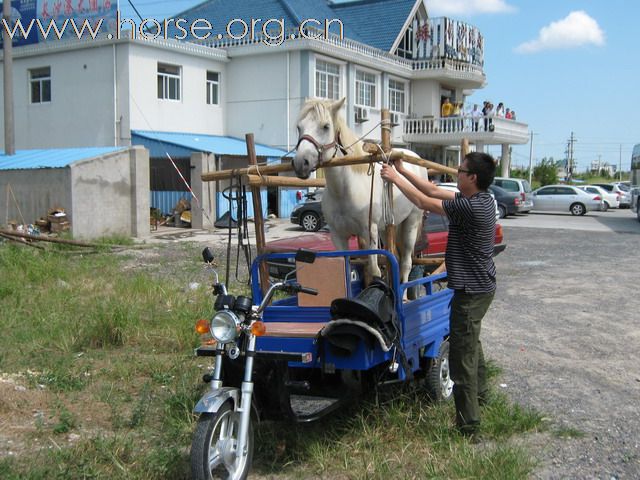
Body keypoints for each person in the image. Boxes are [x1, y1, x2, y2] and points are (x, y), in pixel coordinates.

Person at [380, 152, 497, 437]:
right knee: (471, 342)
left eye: (461, 170)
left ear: (472, 178)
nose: (456, 173)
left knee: (462, 359)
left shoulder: (472, 208)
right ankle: (482, 396)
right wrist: (403, 171)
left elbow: (423, 202)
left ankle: (469, 428)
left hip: (472, 291)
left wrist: (394, 178)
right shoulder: (478, 199)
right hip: (478, 288)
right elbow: (431, 189)